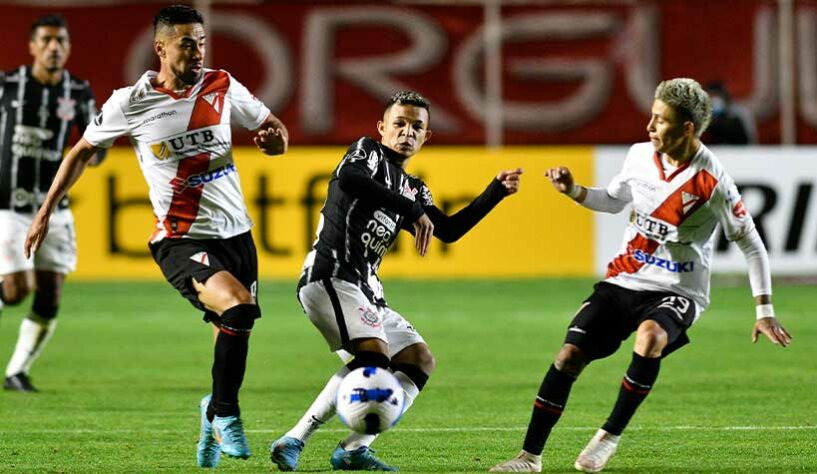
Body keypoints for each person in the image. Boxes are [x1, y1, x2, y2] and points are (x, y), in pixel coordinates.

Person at [23, 4, 288, 468]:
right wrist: (44, 212)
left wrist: (274, 142)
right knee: (239, 306)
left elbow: (272, 128)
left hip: (237, 236)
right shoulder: (131, 101)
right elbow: (82, 152)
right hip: (180, 239)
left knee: (231, 326)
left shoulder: (222, 85)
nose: (197, 51)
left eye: (202, 41)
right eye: (187, 43)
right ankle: (226, 413)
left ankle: (211, 410)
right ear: (161, 47)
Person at [490, 78, 792, 473]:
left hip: (678, 288)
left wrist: (764, 309)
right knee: (568, 357)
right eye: (651, 116)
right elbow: (614, 201)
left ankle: (609, 437)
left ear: (687, 128)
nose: (650, 126)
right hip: (625, 279)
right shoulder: (638, 155)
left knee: (650, 339)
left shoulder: (712, 182)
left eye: (661, 120)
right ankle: (529, 458)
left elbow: (751, 243)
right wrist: (573, 190)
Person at [269, 90, 522, 471]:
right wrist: (410, 209)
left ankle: (354, 449)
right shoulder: (367, 153)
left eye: (416, 127)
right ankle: (295, 438)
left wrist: (495, 192)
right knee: (374, 357)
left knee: (419, 360)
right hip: (331, 275)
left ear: (426, 137)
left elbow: (448, 230)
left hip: (367, 291)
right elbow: (350, 179)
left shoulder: (414, 187)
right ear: (382, 128)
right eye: (399, 124)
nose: (407, 132)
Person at [0, 14, 105, 393]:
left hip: (54, 208)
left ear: (68, 47)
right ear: (32, 46)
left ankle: (16, 371)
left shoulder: (78, 92)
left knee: (51, 292)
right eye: (46, 40)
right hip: (8, 203)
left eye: (60, 40)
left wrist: (92, 156)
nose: (54, 47)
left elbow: (98, 144)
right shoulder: (7, 85)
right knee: (16, 289)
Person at [704, 81, 757, 145]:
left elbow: (750, 138)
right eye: (710, 97)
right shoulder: (708, 114)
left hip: (740, 150)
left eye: (715, 96)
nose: (713, 101)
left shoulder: (740, 111)